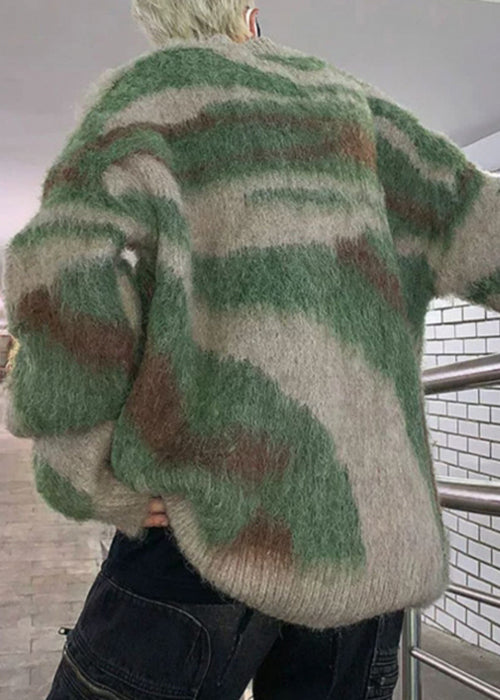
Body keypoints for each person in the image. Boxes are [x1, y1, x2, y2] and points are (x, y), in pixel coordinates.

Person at [4, 0, 500, 697]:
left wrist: (83, 466)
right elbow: (482, 228)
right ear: (251, 14)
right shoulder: (356, 112)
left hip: (203, 526)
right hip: (366, 546)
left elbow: (57, 266)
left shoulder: (150, 100)